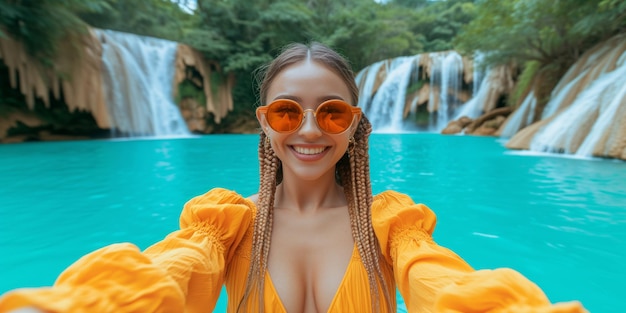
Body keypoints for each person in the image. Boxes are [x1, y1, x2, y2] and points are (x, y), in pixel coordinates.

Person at [0, 42, 586, 313]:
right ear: (264, 123)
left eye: (332, 111)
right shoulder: (226, 224)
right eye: (287, 111)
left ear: (356, 125)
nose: (309, 129)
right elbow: (168, 274)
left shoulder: (386, 225)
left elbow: (442, 284)